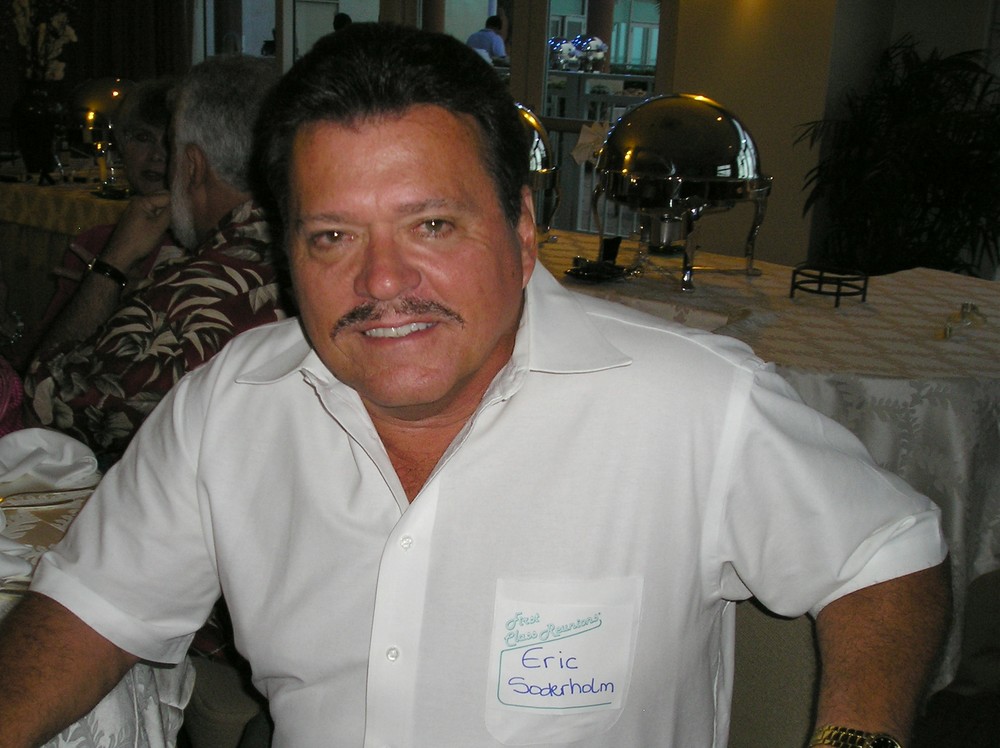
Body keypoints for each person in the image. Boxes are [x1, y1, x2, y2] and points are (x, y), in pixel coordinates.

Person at [0, 23, 949, 748]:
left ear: (523, 232)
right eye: (333, 236)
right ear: (288, 255)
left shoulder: (690, 404)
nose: (382, 282)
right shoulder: (228, 409)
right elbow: (89, 612)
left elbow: (883, 553)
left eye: (433, 226)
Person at [20, 54, 289, 464]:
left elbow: (44, 407)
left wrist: (111, 264)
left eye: (171, 149)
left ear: (193, 166)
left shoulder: (195, 291)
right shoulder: (320, 250)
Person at [7, 77, 184, 371]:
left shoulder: (201, 240)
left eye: (169, 141)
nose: (156, 155)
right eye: (142, 137)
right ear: (121, 145)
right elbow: (42, 361)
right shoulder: (95, 243)